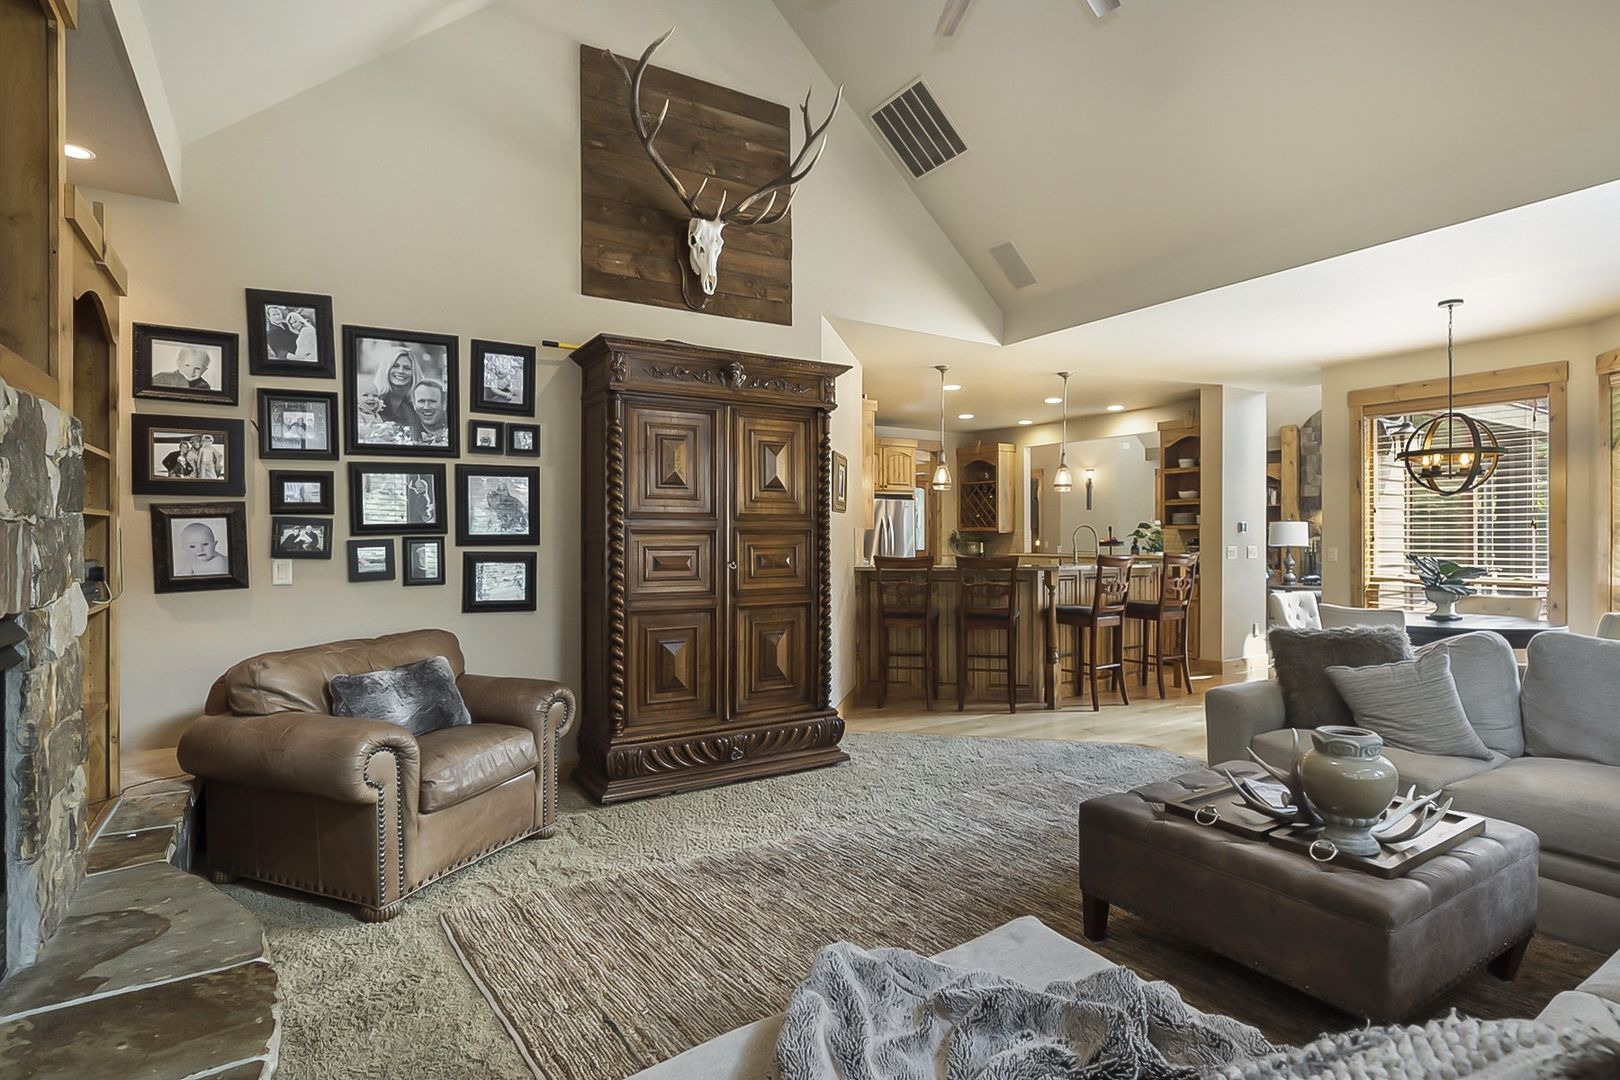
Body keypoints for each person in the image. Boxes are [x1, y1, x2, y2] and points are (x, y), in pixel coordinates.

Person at [371, 351, 420, 435]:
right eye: (395, 366)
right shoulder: (373, 401)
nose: (401, 371)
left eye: (407, 368)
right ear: (386, 369)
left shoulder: (420, 404)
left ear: (414, 374)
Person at [410, 380, 449, 446]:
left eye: (432, 401)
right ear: (414, 404)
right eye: (421, 401)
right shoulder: (404, 431)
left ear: (444, 404)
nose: (426, 407)